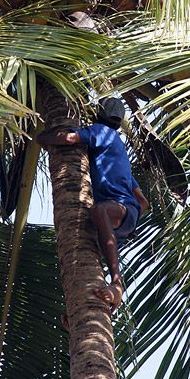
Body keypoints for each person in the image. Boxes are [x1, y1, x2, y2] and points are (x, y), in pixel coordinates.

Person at [37, 97, 149, 312]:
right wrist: (126, 226)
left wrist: (42, 137)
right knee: (84, 251)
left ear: (98, 114)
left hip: (117, 210)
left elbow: (70, 138)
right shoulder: (117, 148)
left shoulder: (101, 132)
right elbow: (143, 202)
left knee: (97, 212)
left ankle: (117, 282)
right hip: (125, 215)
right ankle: (86, 307)